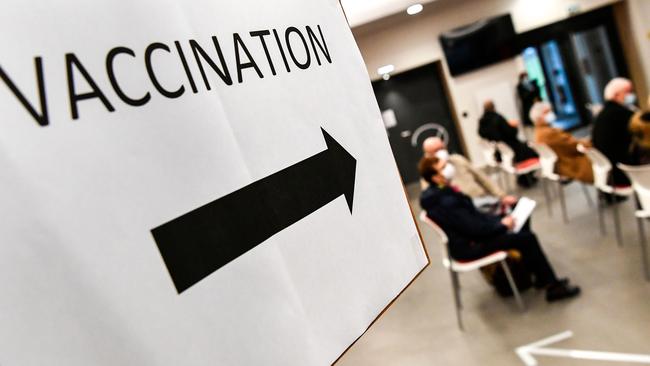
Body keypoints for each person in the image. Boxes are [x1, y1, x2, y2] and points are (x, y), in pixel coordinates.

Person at [418, 156, 581, 302]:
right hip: (470, 246)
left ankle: (539, 276)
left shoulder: (441, 192)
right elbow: (473, 228)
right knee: (526, 238)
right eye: (443, 167)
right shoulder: (445, 200)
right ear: (435, 177)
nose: (449, 168)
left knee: (518, 222)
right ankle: (552, 286)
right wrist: (501, 225)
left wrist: (499, 220)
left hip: (472, 237)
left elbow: (473, 219)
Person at [421, 136, 517, 211]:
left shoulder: (458, 159)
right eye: (436, 150)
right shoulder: (430, 175)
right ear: (428, 155)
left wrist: (502, 196)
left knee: (516, 207)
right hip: (467, 208)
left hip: (484, 199)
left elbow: (483, 179)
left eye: (442, 148)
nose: (441, 152)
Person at [478, 99, 539, 187]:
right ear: (493, 107)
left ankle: (524, 178)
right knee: (532, 151)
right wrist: (513, 126)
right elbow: (510, 133)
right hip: (511, 149)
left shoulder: (482, 121)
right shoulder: (497, 118)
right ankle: (526, 178)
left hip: (499, 153)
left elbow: (481, 133)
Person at [531, 101, 594, 183]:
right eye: (547, 112)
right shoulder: (548, 134)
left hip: (564, 162)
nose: (551, 114)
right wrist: (590, 141)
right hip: (570, 164)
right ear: (539, 117)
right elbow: (573, 146)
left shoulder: (539, 132)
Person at [591, 78, 638, 186]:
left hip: (609, 174)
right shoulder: (621, 114)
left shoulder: (603, 114)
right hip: (623, 173)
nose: (631, 95)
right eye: (628, 92)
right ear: (616, 95)